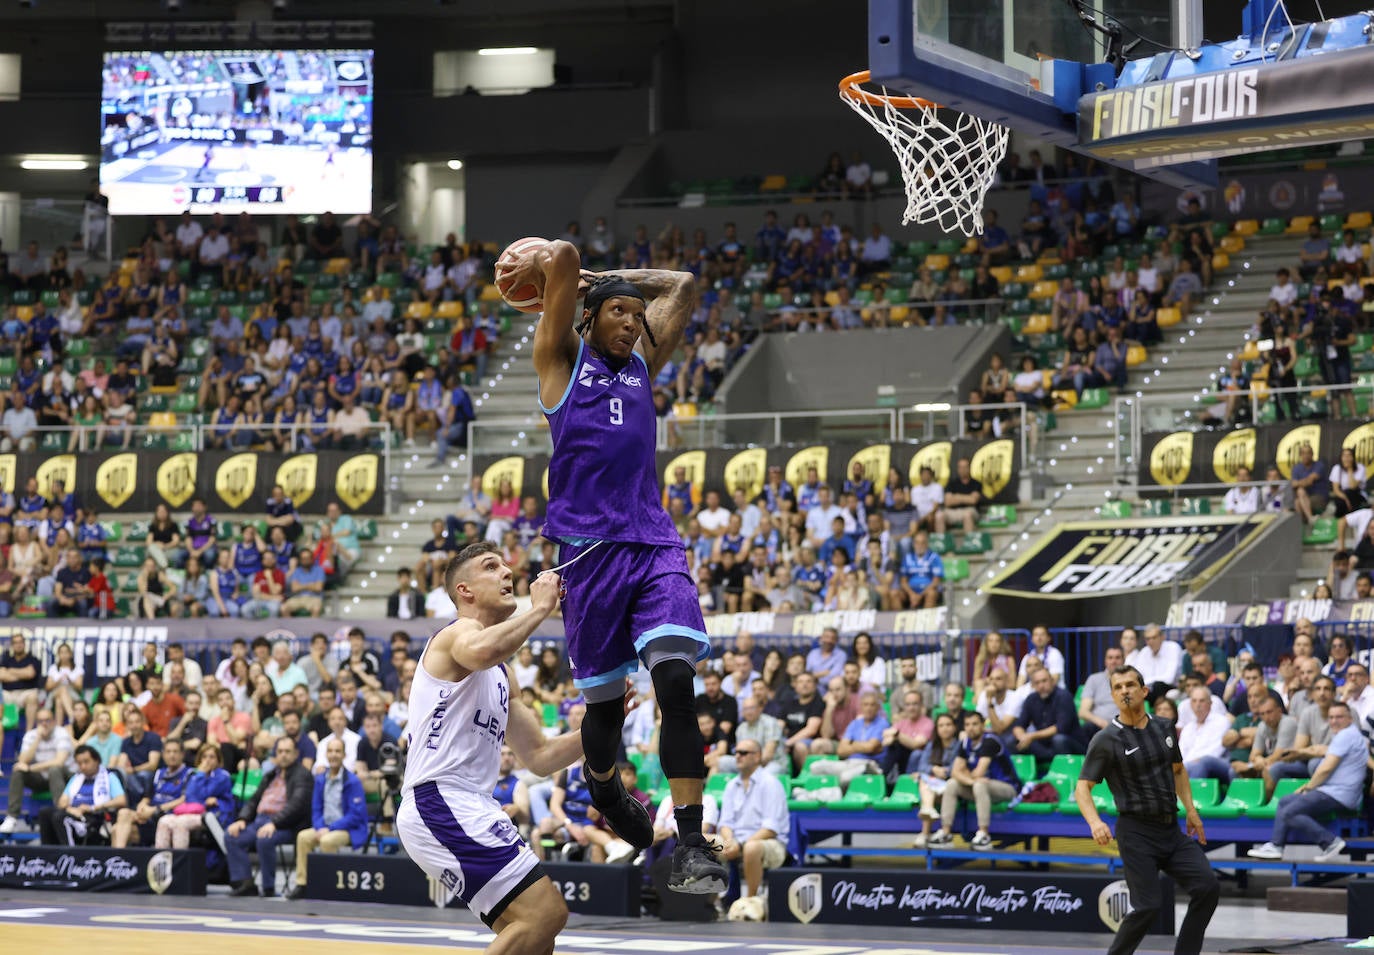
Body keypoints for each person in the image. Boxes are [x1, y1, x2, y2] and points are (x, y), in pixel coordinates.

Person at [515, 239, 726, 894]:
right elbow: (567, 253)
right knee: (602, 714)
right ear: (588, 316)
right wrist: (574, 276)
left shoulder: (641, 365)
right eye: (620, 313)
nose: (634, 322)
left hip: (654, 544)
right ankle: (603, 785)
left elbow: (684, 284)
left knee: (675, 684)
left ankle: (690, 842)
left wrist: (612, 280)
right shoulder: (558, 364)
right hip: (588, 552)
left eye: (639, 315)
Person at [396, 543, 607, 953]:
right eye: (491, 567)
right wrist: (540, 608)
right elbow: (480, 650)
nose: (507, 572)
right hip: (441, 800)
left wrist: (604, 722)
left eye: (506, 565)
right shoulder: (458, 634)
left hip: (468, 804)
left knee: (534, 933)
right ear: (465, 590)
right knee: (546, 913)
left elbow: (540, 757)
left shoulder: (502, 673)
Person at [1076, 665, 1219, 955]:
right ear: (1114, 696)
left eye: (1130, 685)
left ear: (1144, 691)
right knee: (1148, 905)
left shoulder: (1164, 727)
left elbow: (1178, 770)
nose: (1125, 691)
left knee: (1207, 887)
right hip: (1135, 832)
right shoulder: (1106, 739)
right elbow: (1082, 788)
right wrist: (1095, 823)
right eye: (1118, 687)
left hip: (1171, 830)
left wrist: (1190, 809)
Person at [1248, 701, 1364, 862]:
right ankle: (1276, 846)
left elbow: (1326, 769)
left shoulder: (1346, 736)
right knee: (1285, 801)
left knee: (1290, 811)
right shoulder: (1348, 734)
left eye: (1339, 717)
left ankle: (1329, 842)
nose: (1334, 721)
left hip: (1338, 794)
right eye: (1331, 717)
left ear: (1350, 719)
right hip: (1334, 792)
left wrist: (1308, 787)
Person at [226, 735, 314, 897]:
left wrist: (274, 823)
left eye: (287, 751)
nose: (283, 755)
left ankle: (268, 888)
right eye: (280, 751)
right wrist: (242, 819)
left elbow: (297, 806)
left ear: (296, 754)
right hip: (260, 821)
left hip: (287, 824)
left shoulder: (303, 775)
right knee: (233, 835)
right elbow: (254, 800)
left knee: (265, 839)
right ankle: (246, 883)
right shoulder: (271, 774)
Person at [284, 737, 368, 900]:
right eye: (330, 751)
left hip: (347, 829)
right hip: (324, 827)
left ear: (344, 755)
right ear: (326, 754)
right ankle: (303, 884)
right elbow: (316, 809)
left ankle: (328, 885)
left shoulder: (353, 781)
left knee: (327, 841)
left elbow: (355, 815)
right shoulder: (320, 779)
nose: (333, 755)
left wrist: (329, 828)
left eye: (337, 751)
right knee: (303, 837)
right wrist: (320, 826)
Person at [928, 710, 1020, 851]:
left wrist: (966, 774)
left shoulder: (990, 741)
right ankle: (946, 832)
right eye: (967, 725)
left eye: (975, 724)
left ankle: (984, 834)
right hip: (981, 787)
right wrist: (969, 779)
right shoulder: (966, 743)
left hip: (1007, 787)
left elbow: (979, 773)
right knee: (952, 784)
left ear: (983, 725)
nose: (971, 728)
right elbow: (955, 772)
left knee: (979, 784)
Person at [715, 741, 790, 900]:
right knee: (701, 842)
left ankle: (750, 900)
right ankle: (709, 902)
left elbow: (770, 829)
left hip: (769, 842)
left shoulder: (771, 783)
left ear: (757, 757)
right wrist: (730, 841)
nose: (737, 756)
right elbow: (725, 822)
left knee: (751, 848)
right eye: (736, 752)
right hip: (735, 840)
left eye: (743, 753)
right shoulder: (731, 785)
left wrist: (740, 844)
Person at [1, 708, 74, 833]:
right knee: (18, 771)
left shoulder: (61, 733)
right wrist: (37, 739)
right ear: (36, 722)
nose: (44, 724)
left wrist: (30, 768)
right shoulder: (31, 735)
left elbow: (59, 761)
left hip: (65, 778)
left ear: (54, 721)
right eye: (40, 721)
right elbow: (22, 761)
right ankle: (12, 817)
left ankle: (60, 814)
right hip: (41, 779)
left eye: (47, 720)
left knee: (54, 769)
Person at [38, 744, 127, 846]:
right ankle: (46, 853)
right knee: (45, 812)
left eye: (86, 762)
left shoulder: (109, 777)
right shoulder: (76, 778)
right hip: (74, 813)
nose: (83, 766)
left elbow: (121, 800)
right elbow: (62, 802)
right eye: (79, 763)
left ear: (97, 760)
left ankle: (70, 854)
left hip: (94, 816)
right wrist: (71, 810)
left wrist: (92, 808)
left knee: (60, 817)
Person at [111, 736, 191, 847]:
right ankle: (118, 859)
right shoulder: (159, 773)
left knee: (117, 830)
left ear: (182, 754)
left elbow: (184, 800)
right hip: (150, 817)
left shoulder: (190, 774)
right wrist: (141, 808)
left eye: (175, 752)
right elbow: (147, 797)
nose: (171, 755)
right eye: (168, 752)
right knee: (123, 814)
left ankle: (117, 860)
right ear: (163, 755)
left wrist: (155, 810)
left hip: (169, 818)